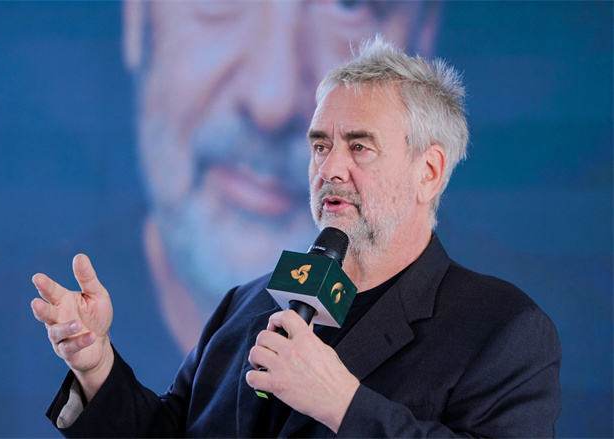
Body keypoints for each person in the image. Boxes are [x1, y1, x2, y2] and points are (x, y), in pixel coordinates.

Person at [32, 37, 562, 437]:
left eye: (360, 147)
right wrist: (96, 366)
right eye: (320, 146)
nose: (329, 169)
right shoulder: (246, 305)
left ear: (429, 172)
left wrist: (343, 404)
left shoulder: (503, 331)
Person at [122, 0, 442, 352]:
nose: (272, 103)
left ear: (421, 43)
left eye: (348, 5)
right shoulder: (79, 337)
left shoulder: (481, 341)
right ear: (136, 13)